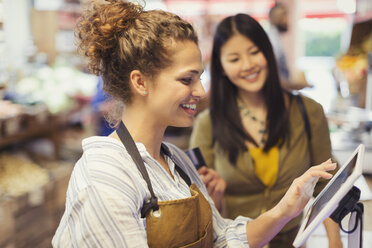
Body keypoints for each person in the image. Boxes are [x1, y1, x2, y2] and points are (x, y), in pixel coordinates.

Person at [52, 2, 336, 247]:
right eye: (187, 80)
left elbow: (222, 239)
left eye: (200, 77)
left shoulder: (176, 161)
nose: (200, 92)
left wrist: (286, 209)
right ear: (140, 82)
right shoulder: (105, 175)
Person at [189, 13, 342, 248]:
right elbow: (202, 207)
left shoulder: (308, 111)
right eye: (234, 58)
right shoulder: (208, 123)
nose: (248, 65)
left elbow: (327, 184)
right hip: (239, 242)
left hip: (292, 242)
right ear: (221, 68)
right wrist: (214, 195)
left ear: (267, 53)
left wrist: (335, 241)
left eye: (254, 52)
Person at [267, 3, 311, 91]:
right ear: (273, 18)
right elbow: (272, 74)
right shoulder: (272, 40)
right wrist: (293, 85)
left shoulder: (277, 37)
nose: (286, 19)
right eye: (282, 16)